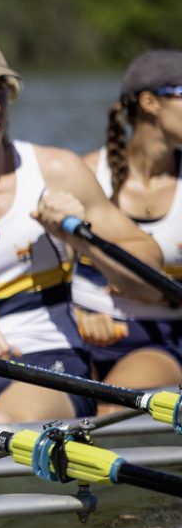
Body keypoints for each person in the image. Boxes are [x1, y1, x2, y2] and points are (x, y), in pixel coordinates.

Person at [0, 29, 163, 427]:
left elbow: (150, 271)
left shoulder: (55, 171)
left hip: (49, 362)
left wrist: (82, 236)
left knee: (2, 423)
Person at [71, 50, 182, 410]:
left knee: (108, 410)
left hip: (161, 340)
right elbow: (47, 270)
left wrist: (158, 294)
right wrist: (78, 316)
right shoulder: (87, 173)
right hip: (80, 330)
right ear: (150, 102)